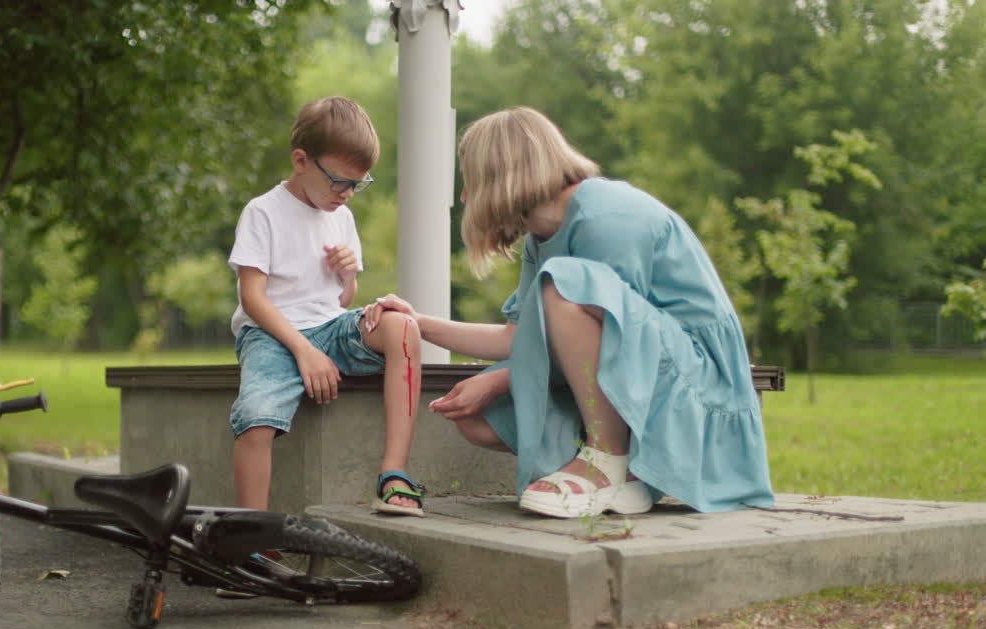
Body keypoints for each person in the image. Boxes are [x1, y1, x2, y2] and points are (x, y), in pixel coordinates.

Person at [363, 106, 774, 518]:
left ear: (498, 176)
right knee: (478, 416)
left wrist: (504, 379)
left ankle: (606, 461)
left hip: (699, 378)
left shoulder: (604, 214)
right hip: (646, 366)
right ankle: (629, 475)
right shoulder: (541, 239)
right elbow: (515, 339)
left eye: (470, 180)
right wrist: (417, 322)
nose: (466, 196)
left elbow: (618, 339)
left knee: (562, 284)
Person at [228, 96, 426, 520]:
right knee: (256, 416)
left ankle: (394, 474)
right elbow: (253, 298)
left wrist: (349, 276)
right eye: (340, 182)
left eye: (359, 184)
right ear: (301, 160)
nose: (349, 194)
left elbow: (340, 302)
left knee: (402, 327)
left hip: (330, 325)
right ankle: (248, 533)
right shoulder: (262, 213)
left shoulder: (341, 217)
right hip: (273, 333)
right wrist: (303, 350)